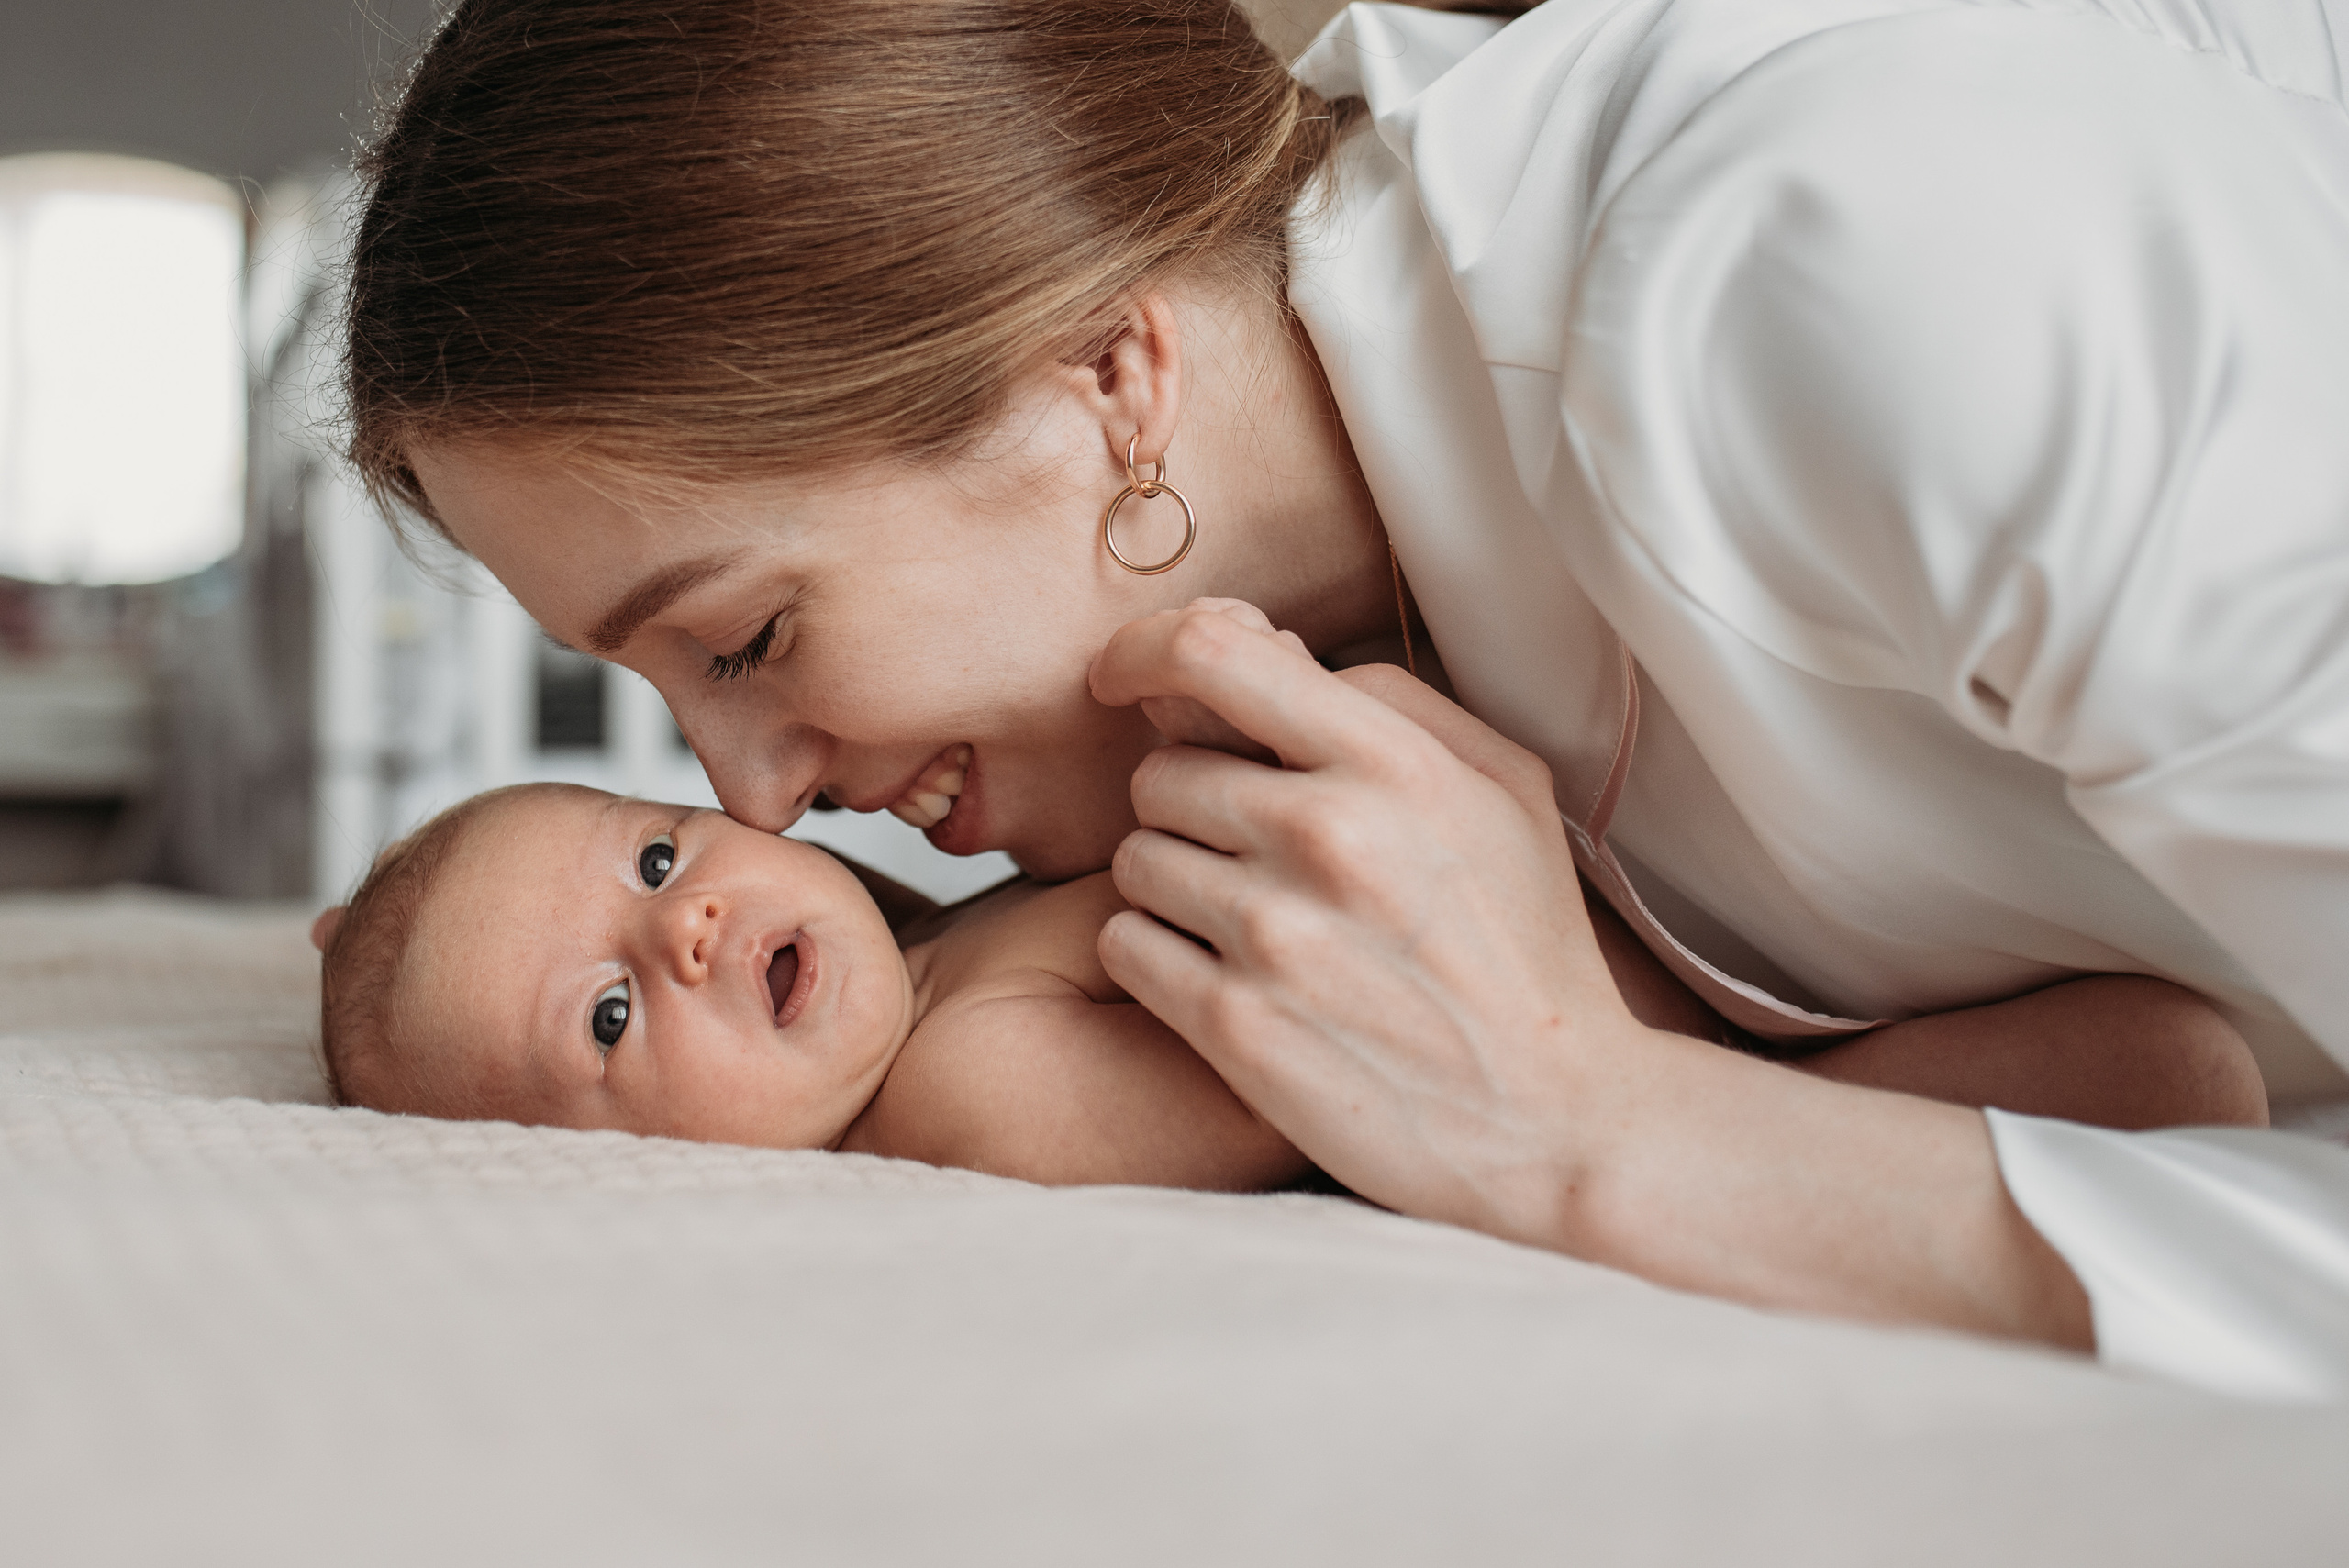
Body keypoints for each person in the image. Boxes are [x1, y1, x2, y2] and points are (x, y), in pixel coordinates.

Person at [340, 0, 2349, 1397]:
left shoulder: (1855, 279)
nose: (756, 804)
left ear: (1100, 383)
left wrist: (1590, 1124)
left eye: (749, 640)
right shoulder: (1285, 726)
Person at [311, 722, 2259, 1176]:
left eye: (652, 854)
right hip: (1696, 1044)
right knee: (2168, 1070)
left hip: (1669, 935)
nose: (695, 915)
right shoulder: (967, 1093)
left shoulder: (966, 960)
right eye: (608, 1006)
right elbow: (1316, 1088)